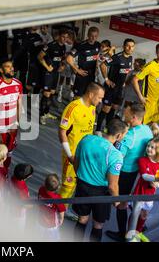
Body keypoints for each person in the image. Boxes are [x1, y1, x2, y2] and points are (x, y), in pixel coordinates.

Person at [72, 118, 128, 242]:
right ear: (118, 135)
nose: (124, 137)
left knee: (82, 219)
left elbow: (76, 162)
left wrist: (82, 176)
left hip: (82, 185)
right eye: (124, 134)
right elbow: (112, 186)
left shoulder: (86, 139)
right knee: (98, 225)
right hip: (101, 193)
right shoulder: (115, 155)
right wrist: (116, 201)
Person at [105, 103, 154, 242]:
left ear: (133, 117)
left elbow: (117, 156)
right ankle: (137, 226)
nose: (123, 114)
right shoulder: (147, 129)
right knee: (133, 200)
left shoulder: (128, 137)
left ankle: (122, 233)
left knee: (121, 203)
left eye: (125, 113)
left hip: (124, 173)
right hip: (137, 172)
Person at [58, 82, 104, 220]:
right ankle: (57, 211)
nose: (101, 101)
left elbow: (90, 129)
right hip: (72, 155)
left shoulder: (92, 108)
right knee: (67, 184)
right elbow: (62, 132)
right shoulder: (73, 108)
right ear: (91, 94)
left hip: (86, 154)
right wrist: (70, 154)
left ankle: (64, 208)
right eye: (100, 98)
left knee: (78, 183)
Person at [0, 59, 23, 168]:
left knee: (9, 152)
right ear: (1, 70)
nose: (11, 68)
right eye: (7, 66)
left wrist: (17, 123)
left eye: (11, 66)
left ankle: (5, 172)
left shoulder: (18, 84)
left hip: (12, 126)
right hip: (0, 127)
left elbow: (19, 105)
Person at [96, 38, 135, 133]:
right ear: (124, 46)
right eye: (128, 46)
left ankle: (107, 128)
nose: (130, 48)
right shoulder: (117, 57)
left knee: (114, 109)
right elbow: (103, 65)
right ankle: (98, 130)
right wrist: (107, 79)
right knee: (106, 109)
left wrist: (125, 81)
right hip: (111, 88)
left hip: (119, 89)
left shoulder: (130, 58)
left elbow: (126, 71)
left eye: (132, 46)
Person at [131, 138, 159, 241]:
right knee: (135, 214)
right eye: (148, 146)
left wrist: (158, 184)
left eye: (152, 147)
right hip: (139, 192)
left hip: (150, 194)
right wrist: (156, 179)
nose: (149, 149)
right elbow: (144, 176)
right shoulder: (142, 160)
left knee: (144, 214)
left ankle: (138, 232)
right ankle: (130, 234)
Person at [132, 43, 159, 131]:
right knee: (141, 126)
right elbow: (134, 80)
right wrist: (140, 97)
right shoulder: (150, 66)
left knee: (154, 127)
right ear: (156, 52)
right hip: (149, 102)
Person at [38, 29, 68, 125]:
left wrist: (62, 66)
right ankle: (42, 115)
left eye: (66, 37)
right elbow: (39, 56)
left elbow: (62, 58)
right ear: (59, 36)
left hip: (56, 73)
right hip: (48, 73)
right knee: (46, 94)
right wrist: (47, 67)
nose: (65, 39)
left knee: (52, 93)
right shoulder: (51, 45)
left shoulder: (63, 47)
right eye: (63, 37)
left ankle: (46, 112)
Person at [66, 26, 101, 97]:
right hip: (82, 75)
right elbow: (68, 59)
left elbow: (98, 56)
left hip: (92, 76)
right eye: (91, 36)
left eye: (95, 36)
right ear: (88, 35)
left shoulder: (98, 45)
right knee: (77, 97)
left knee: (88, 96)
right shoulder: (80, 45)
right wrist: (77, 70)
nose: (93, 38)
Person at [37, 174, 66, 241]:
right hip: (52, 223)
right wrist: (61, 219)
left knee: (39, 235)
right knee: (53, 237)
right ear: (58, 187)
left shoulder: (41, 189)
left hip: (40, 218)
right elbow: (61, 211)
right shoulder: (57, 198)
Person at [9, 164, 34, 231]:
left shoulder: (12, 178)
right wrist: (33, 205)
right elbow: (25, 204)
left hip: (10, 208)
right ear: (27, 177)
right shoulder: (23, 188)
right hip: (18, 215)